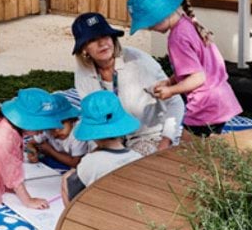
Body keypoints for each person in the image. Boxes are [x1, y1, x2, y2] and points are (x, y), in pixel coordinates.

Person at [127, 0, 242, 136]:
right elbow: (196, 67)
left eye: (149, 24)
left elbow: (198, 78)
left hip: (206, 106)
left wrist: (171, 91)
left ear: (160, 16)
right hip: (221, 99)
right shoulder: (187, 24)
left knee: (187, 152)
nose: (149, 28)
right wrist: (170, 81)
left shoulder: (177, 39)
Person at [70, 11, 183, 156]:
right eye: (92, 39)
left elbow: (175, 102)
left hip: (148, 137)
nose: (102, 43)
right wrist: (96, 153)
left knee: (131, 171)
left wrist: (165, 142)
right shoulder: (83, 72)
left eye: (105, 35)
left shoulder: (139, 63)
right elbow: (92, 117)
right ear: (84, 48)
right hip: (109, 139)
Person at [63, 90, 144, 200]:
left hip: (98, 209)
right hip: (127, 206)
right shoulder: (137, 157)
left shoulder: (90, 162)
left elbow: (73, 194)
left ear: (92, 134)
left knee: (67, 178)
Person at [24, 91, 81, 167]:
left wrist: (50, 151)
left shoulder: (78, 133)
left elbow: (75, 163)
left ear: (72, 120)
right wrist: (31, 151)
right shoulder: (47, 129)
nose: (57, 130)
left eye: (62, 123)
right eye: (52, 127)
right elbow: (30, 143)